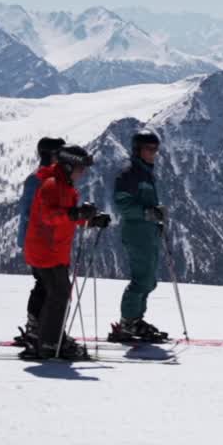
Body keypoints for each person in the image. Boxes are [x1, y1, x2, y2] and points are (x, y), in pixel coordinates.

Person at [22, 145, 111, 360]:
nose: (83, 173)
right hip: (47, 252)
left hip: (53, 251)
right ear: (69, 165)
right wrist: (76, 213)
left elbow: (65, 217)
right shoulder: (52, 185)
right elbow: (49, 217)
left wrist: (89, 219)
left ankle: (49, 339)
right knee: (59, 296)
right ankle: (50, 344)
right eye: (81, 168)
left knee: (57, 295)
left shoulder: (65, 186)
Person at [109, 130, 169, 343]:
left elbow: (145, 204)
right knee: (141, 279)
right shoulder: (129, 173)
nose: (154, 153)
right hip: (136, 233)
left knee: (149, 280)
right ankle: (128, 322)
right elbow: (122, 204)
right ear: (137, 150)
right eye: (149, 149)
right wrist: (147, 214)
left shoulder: (145, 173)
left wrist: (156, 219)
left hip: (148, 232)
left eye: (156, 149)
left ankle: (135, 319)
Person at [16, 136, 65, 343]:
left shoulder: (45, 178)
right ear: (52, 155)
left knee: (47, 284)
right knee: (45, 284)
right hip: (36, 242)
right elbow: (28, 212)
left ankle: (40, 325)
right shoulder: (38, 179)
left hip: (45, 242)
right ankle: (36, 326)